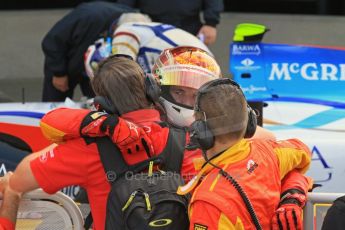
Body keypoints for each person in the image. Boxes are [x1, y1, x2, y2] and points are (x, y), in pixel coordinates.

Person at [41, 47, 312, 229]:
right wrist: (104, 122)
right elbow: (51, 120)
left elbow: (283, 158)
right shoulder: (130, 127)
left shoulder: (224, 135)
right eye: (179, 92)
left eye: (196, 95)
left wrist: (293, 191)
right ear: (156, 89)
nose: (187, 101)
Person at [176, 78, 312, 229]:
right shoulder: (268, 152)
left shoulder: (208, 202)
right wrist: (292, 192)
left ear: (200, 131)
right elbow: (303, 150)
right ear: (250, 122)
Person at [41, 1, 133, 102]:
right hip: (64, 61)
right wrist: (59, 73)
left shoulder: (136, 23)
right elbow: (52, 41)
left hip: (96, 67)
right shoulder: (89, 17)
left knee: (100, 104)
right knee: (54, 105)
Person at [84, 15, 211, 78]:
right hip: (205, 69)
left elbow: (121, 74)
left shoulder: (125, 29)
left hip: (194, 65)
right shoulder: (150, 37)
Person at [117, 0, 224, 45]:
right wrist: (125, 24)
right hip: (149, 31)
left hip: (189, 30)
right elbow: (124, 6)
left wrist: (211, 23)